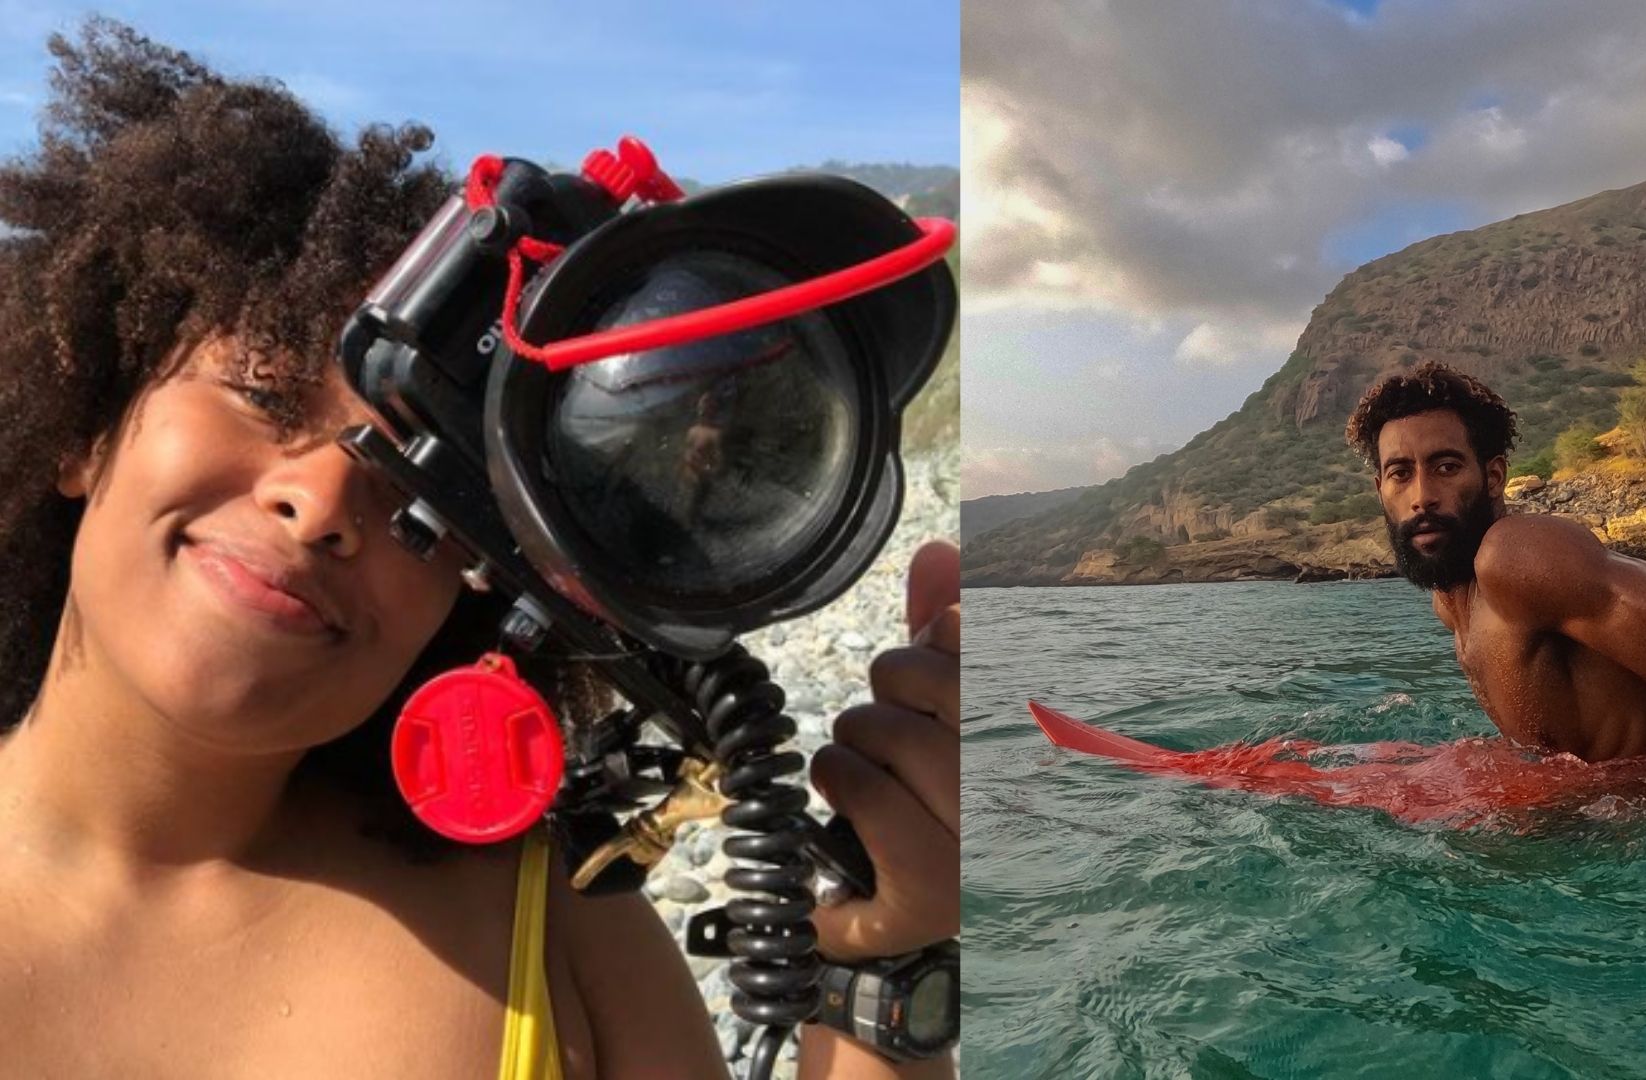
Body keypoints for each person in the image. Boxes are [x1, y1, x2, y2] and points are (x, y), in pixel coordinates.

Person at [0, 20, 957, 1079]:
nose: (320, 500)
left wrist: (887, 961)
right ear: (85, 430)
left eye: (421, 483)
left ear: (479, 587)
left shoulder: (559, 933)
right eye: (261, 392)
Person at [1343, 360, 1646, 764]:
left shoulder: (1516, 557)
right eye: (1400, 474)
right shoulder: (1451, 600)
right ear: (1380, 490)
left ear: (1493, 476)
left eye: (1446, 467)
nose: (1422, 496)